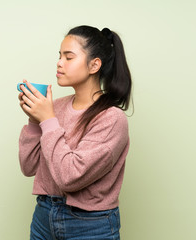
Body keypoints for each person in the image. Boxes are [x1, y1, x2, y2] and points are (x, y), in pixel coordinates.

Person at [18, 25, 132, 240]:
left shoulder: (111, 118)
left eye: (69, 57)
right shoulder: (56, 107)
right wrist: (35, 120)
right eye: (59, 56)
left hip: (90, 225)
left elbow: (70, 177)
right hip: (44, 216)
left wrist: (47, 119)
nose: (59, 63)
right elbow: (28, 167)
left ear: (94, 65)